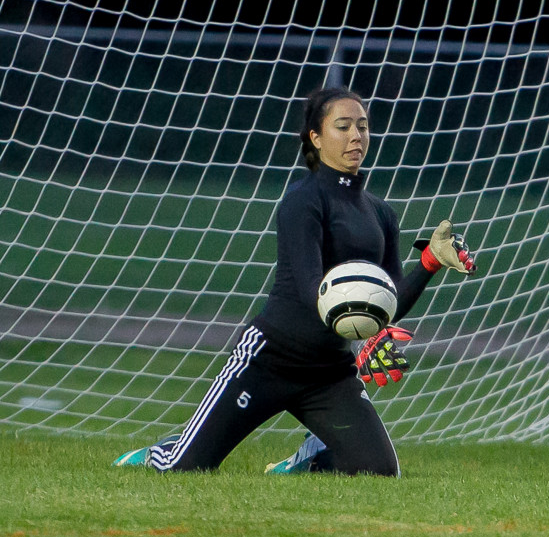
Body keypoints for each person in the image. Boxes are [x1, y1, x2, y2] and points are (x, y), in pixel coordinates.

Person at [114, 87, 475, 476]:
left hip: (329, 372)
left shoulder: (381, 213)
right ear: (316, 139)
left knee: (380, 472)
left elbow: (389, 302)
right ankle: (162, 453)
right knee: (186, 468)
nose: (356, 136)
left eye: (363, 126)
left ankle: (312, 456)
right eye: (343, 126)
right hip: (269, 360)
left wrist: (430, 261)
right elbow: (309, 291)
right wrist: (366, 332)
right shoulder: (302, 200)